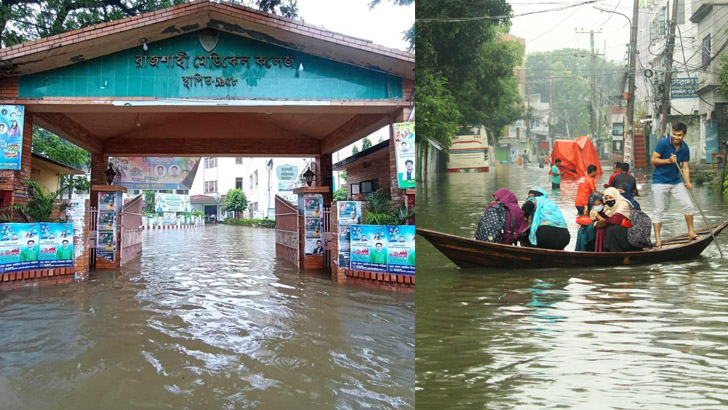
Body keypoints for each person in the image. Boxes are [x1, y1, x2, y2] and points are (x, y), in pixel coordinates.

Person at [651, 122, 695, 248]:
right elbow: (653, 160)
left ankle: (691, 232)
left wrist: (688, 182)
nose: (676, 137)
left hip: (676, 181)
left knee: (689, 206)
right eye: (674, 134)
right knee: (659, 210)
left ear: (684, 135)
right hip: (659, 180)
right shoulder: (664, 143)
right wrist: (668, 161)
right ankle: (658, 240)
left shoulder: (685, 148)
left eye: (679, 135)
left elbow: (685, 167)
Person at [594, 187, 639, 252]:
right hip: (619, 231)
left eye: (611, 197)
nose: (609, 200)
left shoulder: (623, 204)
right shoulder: (607, 207)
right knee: (601, 229)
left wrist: (599, 220)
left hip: (630, 233)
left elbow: (615, 220)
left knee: (612, 229)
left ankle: (613, 252)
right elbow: (605, 217)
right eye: (606, 198)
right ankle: (601, 251)